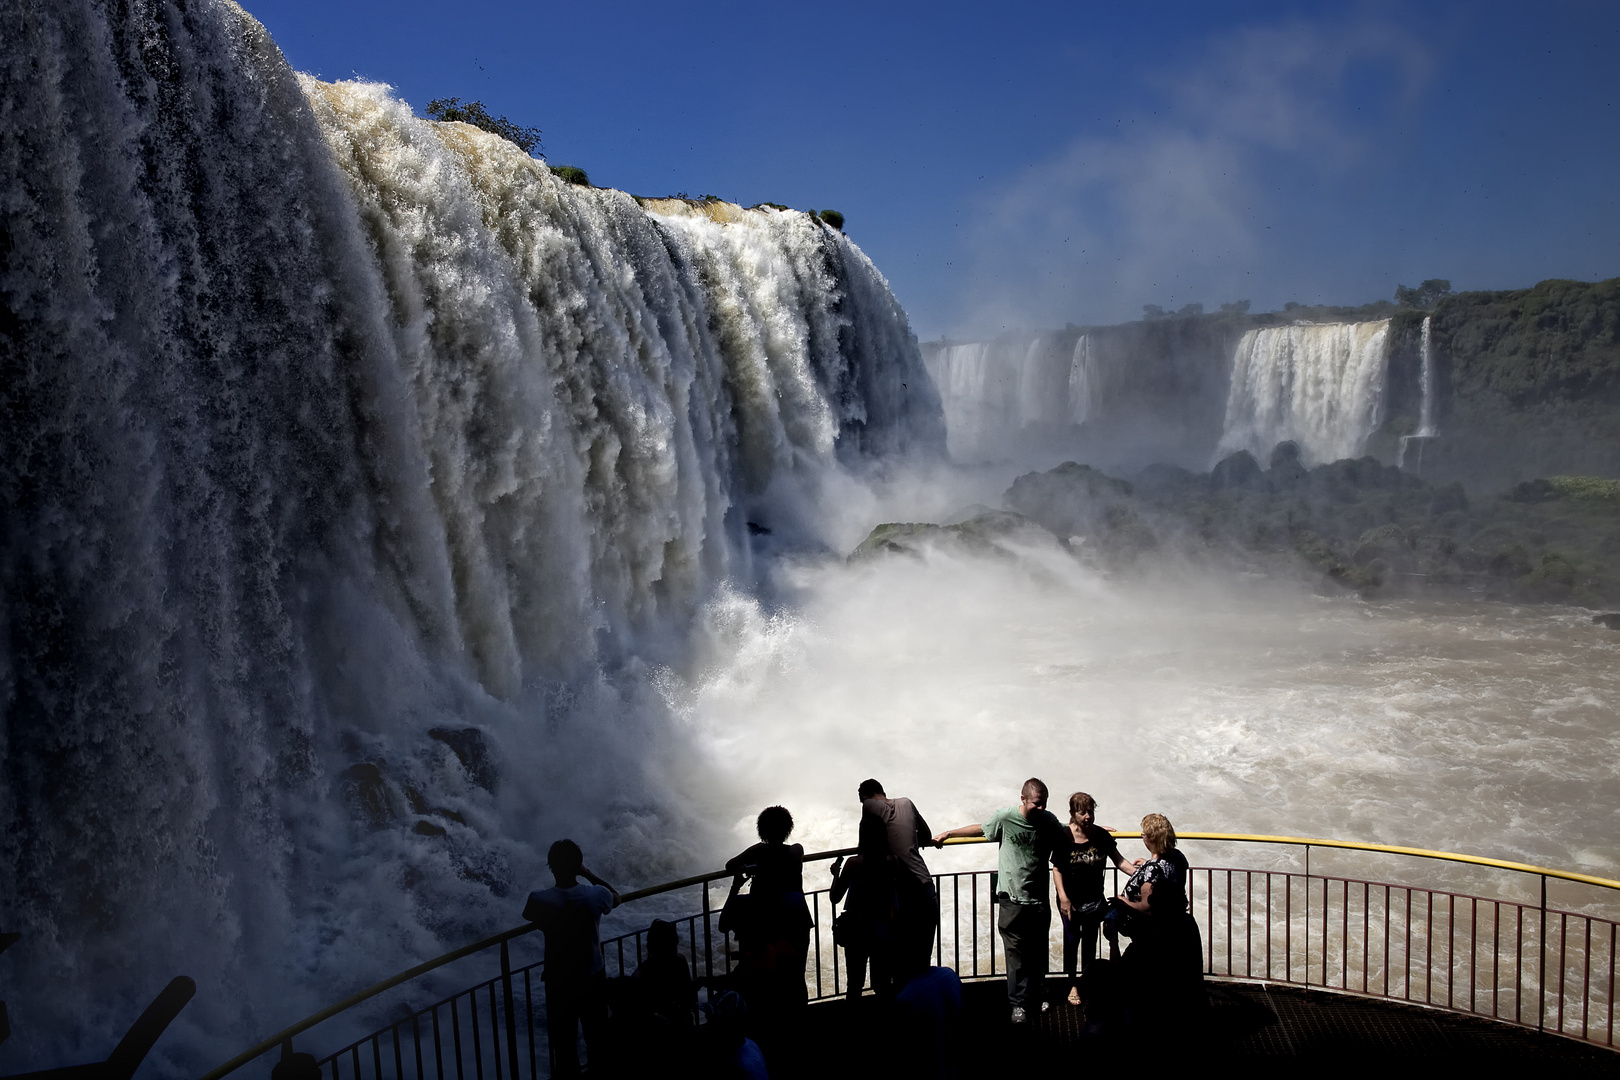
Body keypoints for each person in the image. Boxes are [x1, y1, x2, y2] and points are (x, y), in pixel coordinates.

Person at [934, 778, 1071, 1023]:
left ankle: (1037, 996)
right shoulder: (1006, 817)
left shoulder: (1047, 820)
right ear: (1023, 799)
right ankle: (1018, 1004)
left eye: (1044, 804)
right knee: (1016, 955)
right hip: (1012, 898)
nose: (1040, 809)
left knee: (1039, 952)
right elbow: (982, 828)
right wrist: (949, 832)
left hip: (1038, 899)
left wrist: (1097, 831)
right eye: (1036, 804)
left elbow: (1068, 831)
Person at [522, 839, 620, 1078]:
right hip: (592, 979)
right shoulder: (594, 896)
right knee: (597, 1041)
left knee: (565, 1048)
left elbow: (528, 915)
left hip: (559, 984)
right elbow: (616, 897)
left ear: (551, 866)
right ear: (578, 866)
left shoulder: (540, 899)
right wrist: (587, 873)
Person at [1114, 812, 1205, 1024]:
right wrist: (1148, 864)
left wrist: (1122, 902)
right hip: (1176, 927)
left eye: (1144, 834)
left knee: (1140, 979)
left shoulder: (1153, 870)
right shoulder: (1177, 857)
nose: (1142, 837)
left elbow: (1147, 908)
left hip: (1152, 934)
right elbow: (1168, 873)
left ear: (1151, 839)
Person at [723, 806, 812, 1016]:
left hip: (762, 917)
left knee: (764, 975)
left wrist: (754, 860)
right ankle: (799, 1016)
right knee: (796, 975)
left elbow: (730, 865)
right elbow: (794, 858)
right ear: (788, 828)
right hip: (795, 917)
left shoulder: (758, 852)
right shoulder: (795, 850)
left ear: (761, 830)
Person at [856, 778, 938, 993]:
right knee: (921, 956)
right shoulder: (906, 803)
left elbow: (866, 845)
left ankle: (903, 1011)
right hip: (924, 881)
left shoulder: (869, 806)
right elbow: (927, 835)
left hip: (902, 890)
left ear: (863, 796)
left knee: (897, 959)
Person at [1051, 791, 1133, 1005]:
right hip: (1070, 901)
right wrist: (1063, 898)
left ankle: (1086, 981)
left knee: (1089, 943)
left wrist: (1142, 873)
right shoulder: (1063, 836)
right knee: (1071, 942)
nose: (1087, 816)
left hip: (1094, 901)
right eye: (1082, 813)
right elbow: (1057, 868)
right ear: (1072, 813)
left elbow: (1119, 861)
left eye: (1090, 812)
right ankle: (1072, 984)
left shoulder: (1100, 836)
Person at [828, 852, 872, 1001]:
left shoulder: (854, 863)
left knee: (855, 982)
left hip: (857, 928)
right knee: (883, 978)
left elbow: (835, 896)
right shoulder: (891, 859)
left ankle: (852, 1019)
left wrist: (836, 873)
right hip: (881, 923)